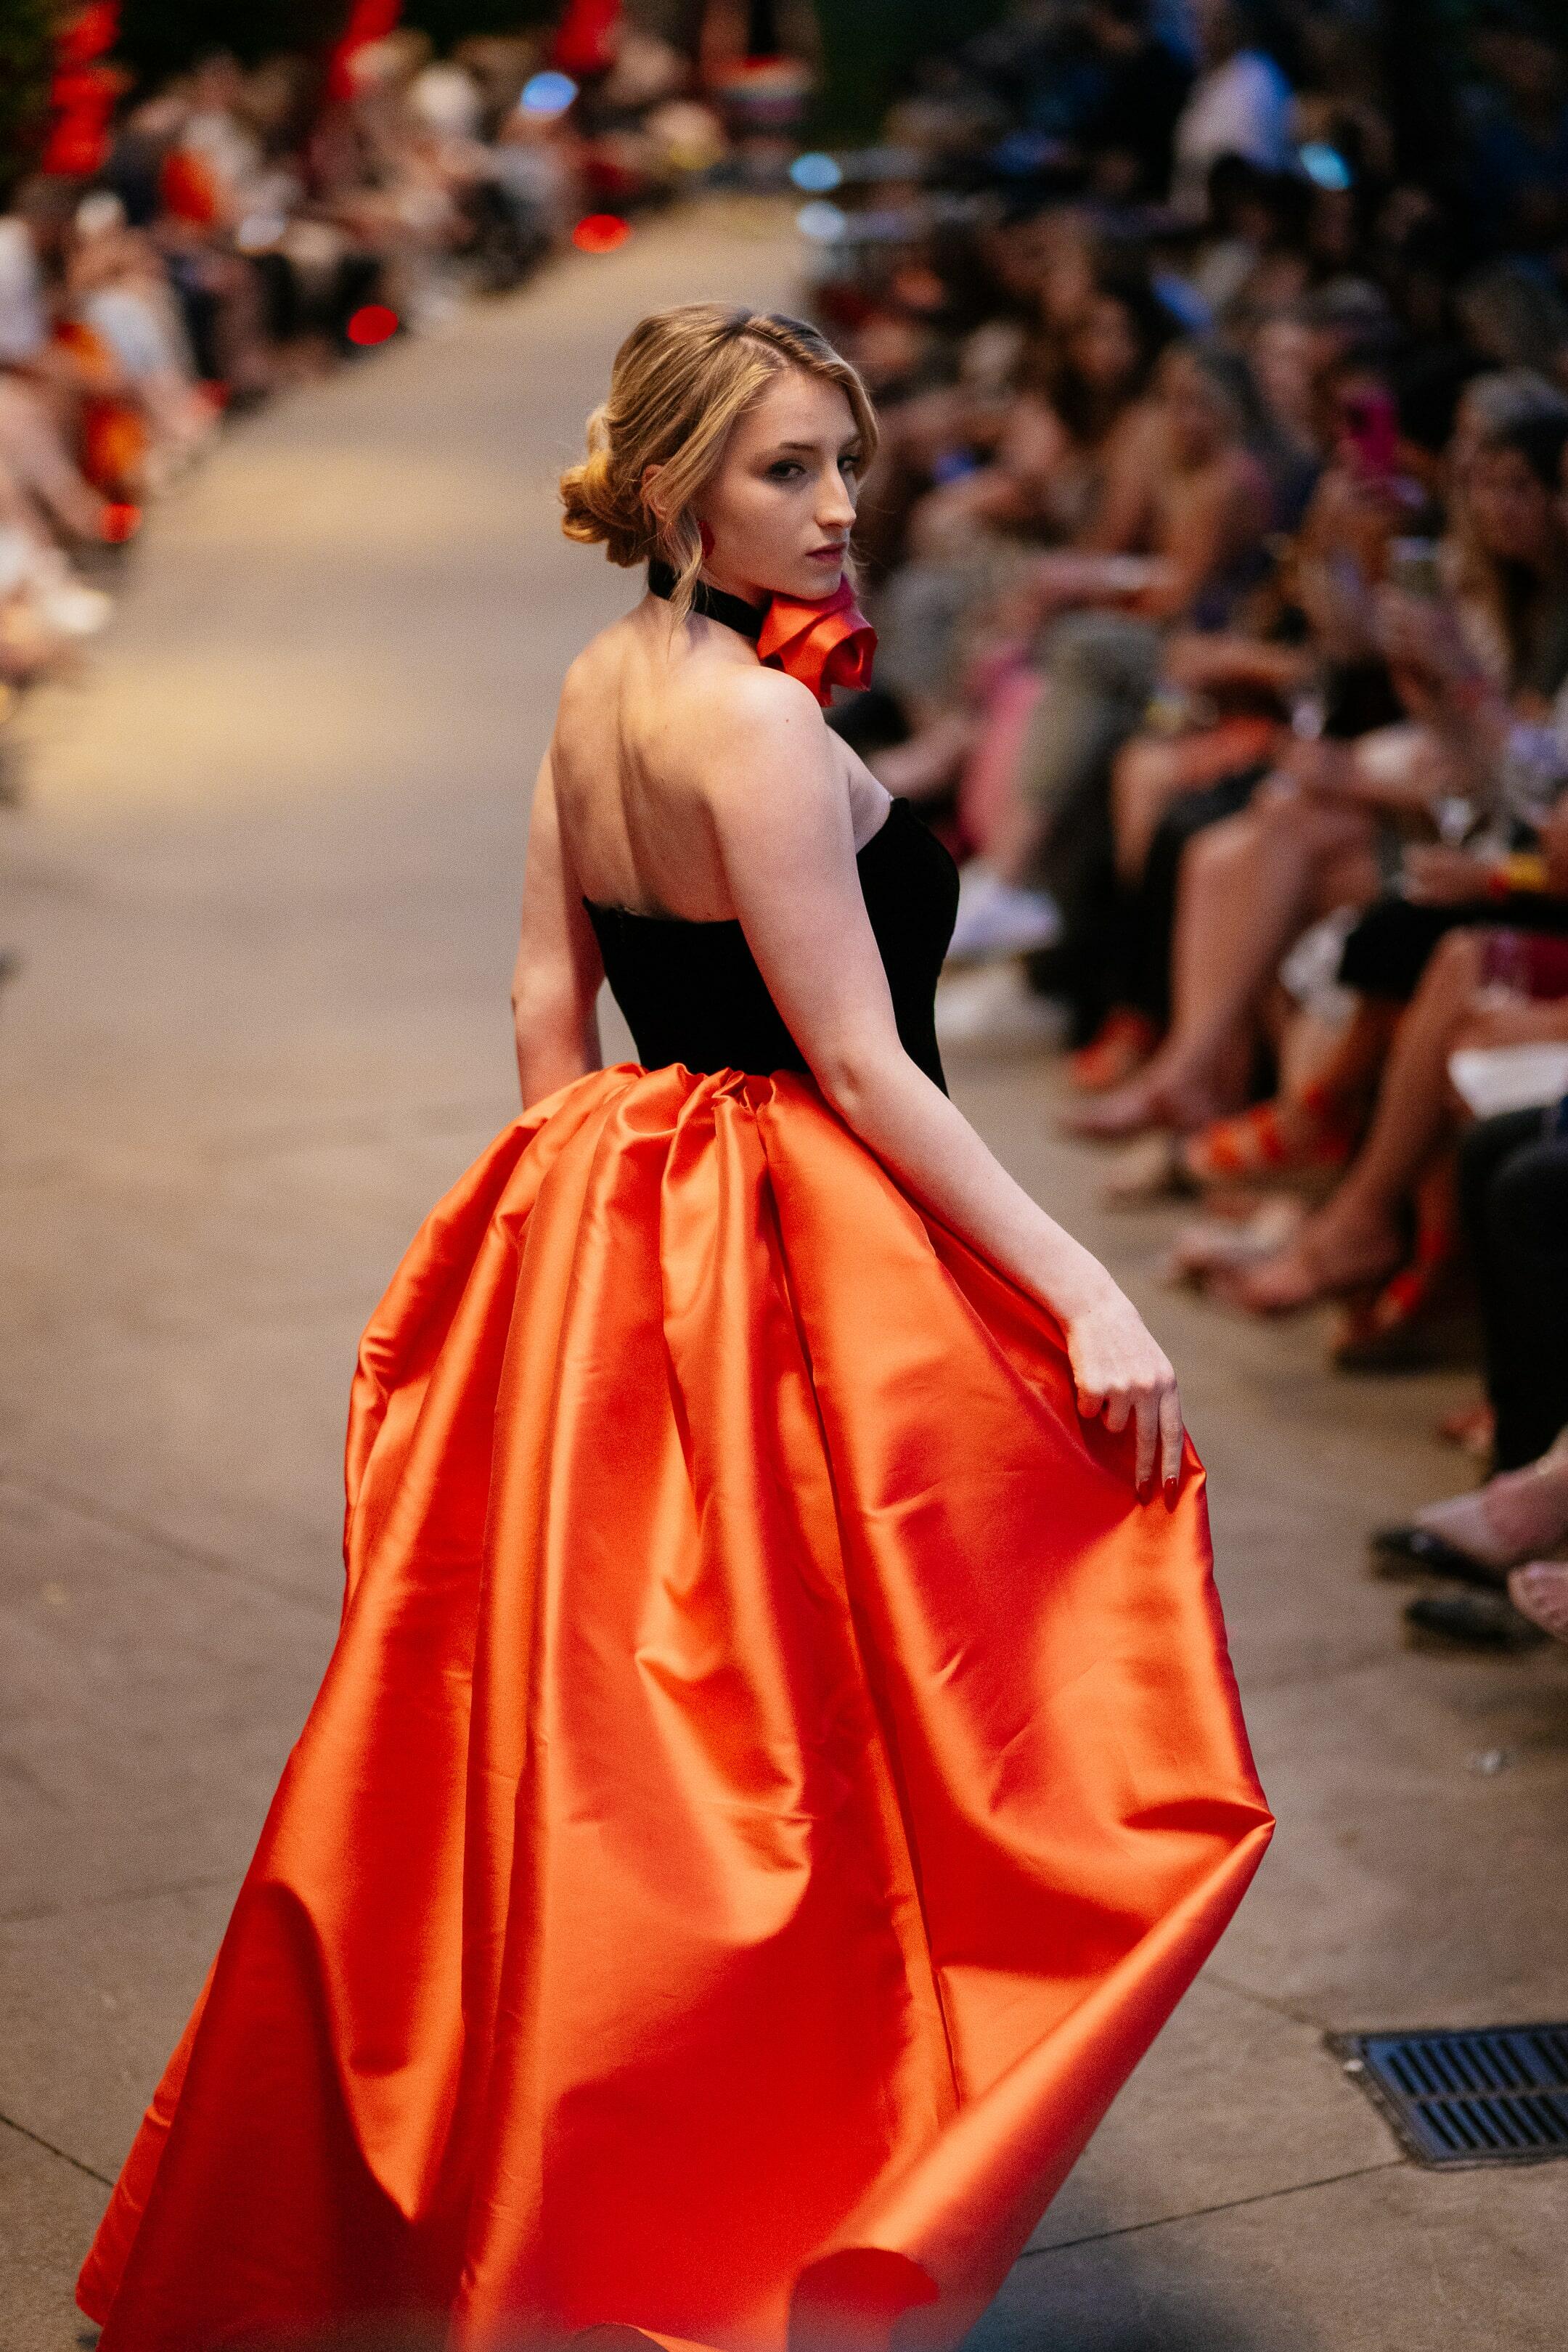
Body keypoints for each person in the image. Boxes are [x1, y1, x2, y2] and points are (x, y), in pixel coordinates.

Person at [76, 305, 1271, 2352]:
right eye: (786, 469)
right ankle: (754, 2208)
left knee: (640, 1763)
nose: (839, 506)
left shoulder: (603, 684)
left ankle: (621, 2197)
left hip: (639, 1218)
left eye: (844, 461)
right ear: (667, 491)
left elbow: (550, 1006)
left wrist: (574, 1263)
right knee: (896, 1741)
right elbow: (865, 1067)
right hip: (806, 1242)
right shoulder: (754, 727)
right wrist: (1085, 1285)